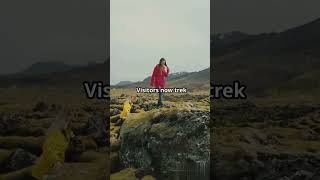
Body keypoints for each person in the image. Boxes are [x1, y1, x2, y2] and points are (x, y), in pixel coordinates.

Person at [32, 109, 75, 180]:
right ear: (60, 120)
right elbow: (48, 149)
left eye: (68, 121)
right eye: (65, 121)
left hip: (56, 164)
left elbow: (70, 137)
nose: (66, 123)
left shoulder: (66, 132)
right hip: (47, 165)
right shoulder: (53, 133)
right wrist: (56, 161)